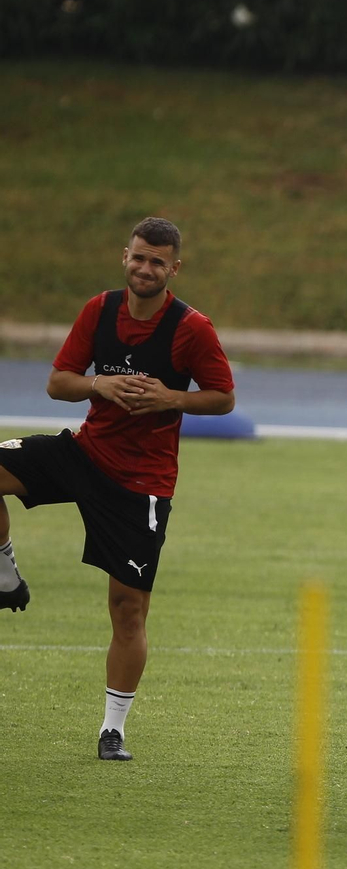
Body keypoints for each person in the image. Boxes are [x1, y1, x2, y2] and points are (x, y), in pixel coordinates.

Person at [0, 217, 235, 762]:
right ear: (123, 258)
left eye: (157, 261)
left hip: (141, 483)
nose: (145, 268)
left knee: (127, 610)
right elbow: (59, 382)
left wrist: (170, 399)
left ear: (173, 268)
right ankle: (6, 570)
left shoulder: (191, 328)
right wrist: (97, 384)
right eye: (138, 257)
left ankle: (113, 729)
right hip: (84, 452)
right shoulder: (99, 310)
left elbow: (223, 397)